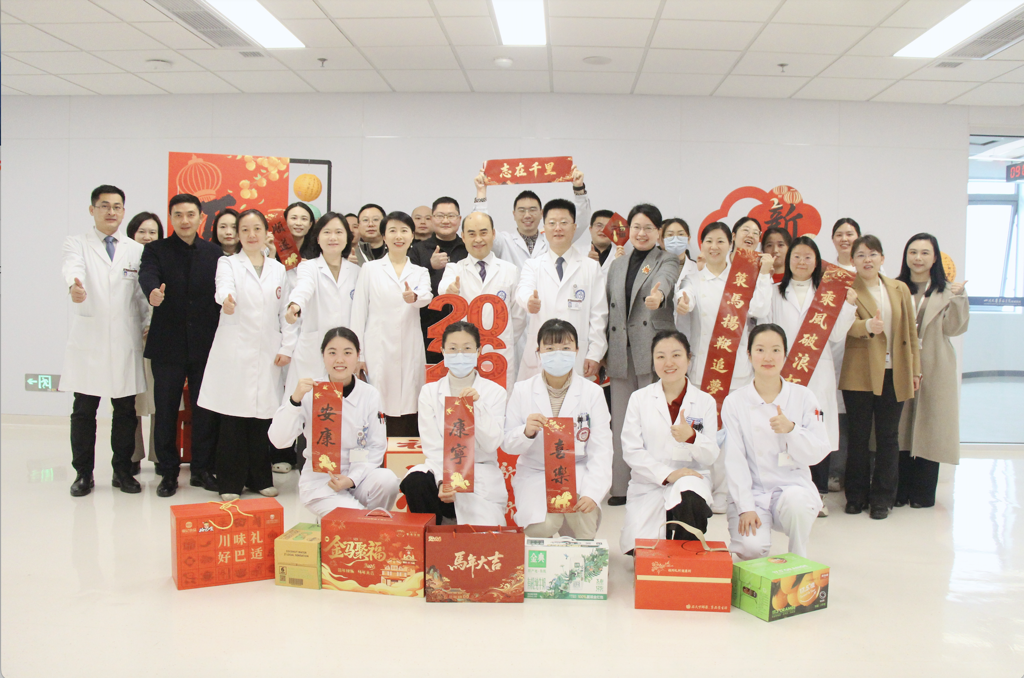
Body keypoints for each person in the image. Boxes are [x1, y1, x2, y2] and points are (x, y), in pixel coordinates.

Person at [675, 222, 773, 512]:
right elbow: (686, 297)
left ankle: (730, 491)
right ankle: (705, 487)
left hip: (736, 371)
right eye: (709, 241)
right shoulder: (694, 278)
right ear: (701, 245)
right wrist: (682, 302)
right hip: (703, 369)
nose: (714, 247)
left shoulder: (741, 278)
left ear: (730, 243)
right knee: (705, 433)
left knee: (734, 435)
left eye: (720, 241)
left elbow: (760, 309)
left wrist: (763, 276)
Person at [61, 185, 149, 496]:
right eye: (104, 206)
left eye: (117, 206)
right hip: (91, 340)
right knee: (84, 412)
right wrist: (74, 286)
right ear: (92, 210)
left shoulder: (135, 250)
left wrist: (148, 324)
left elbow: (141, 296)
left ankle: (122, 471)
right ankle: (83, 474)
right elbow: (73, 268)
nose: (111, 211)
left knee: (124, 412)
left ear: (123, 211)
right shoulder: (77, 243)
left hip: (125, 340)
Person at [197, 209, 289, 501]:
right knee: (233, 419)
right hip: (235, 351)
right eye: (245, 230)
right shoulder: (228, 263)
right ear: (237, 234)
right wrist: (226, 300)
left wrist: (286, 347)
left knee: (261, 418)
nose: (251, 235)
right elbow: (223, 288)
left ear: (266, 233)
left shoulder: (277, 269)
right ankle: (230, 483)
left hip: (267, 351)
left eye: (257, 229)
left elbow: (286, 312)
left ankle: (260, 478)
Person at [139, 193, 223, 497]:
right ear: (171, 218)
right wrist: (152, 292)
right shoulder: (156, 250)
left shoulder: (215, 253)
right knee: (165, 411)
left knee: (205, 410)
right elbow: (148, 274)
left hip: (205, 346)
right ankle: (168, 472)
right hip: (168, 346)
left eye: (190, 214)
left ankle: (201, 469)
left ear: (200, 217)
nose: (185, 220)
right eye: (178, 215)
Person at [268, 327, 400, 518]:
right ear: (323, 356)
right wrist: (294, 400)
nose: (339, 360)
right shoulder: (310, 392)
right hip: (321, 482)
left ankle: (366, 524)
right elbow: (278, 441)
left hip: (358, 477)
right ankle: (361, 523)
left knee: (387, 480)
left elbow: (376, 446)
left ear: (357, 355)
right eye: (332, 353)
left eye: (347, 353)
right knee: (357, 518)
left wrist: (351, 479)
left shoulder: (370, 394)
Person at [723, 324, 830, 560]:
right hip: (753, 492)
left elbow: (819, 450)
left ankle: (799, 558)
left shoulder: (804, 397)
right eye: (760, 350)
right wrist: (746, 507)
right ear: (749, 354)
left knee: (797, 503)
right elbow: (734, 459)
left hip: (792, 488)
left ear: (785, 354)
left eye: (775, 350)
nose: (768, 357)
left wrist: (792, 430)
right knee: (751, 549)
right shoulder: (735, 402)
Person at [768, 236, 857, 516]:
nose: (802, 262)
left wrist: (849, 305)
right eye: (797, 256)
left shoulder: (827, 294)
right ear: (788, 260)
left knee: (817, 430)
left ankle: (818, 495)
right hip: (785, 373)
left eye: (808, 257)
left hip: (818, 372)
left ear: (817, 261)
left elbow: (838, 334)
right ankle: (785, 492)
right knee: (785, 430)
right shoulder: (774, 292)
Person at [504, 319, 612, 539]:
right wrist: (526, 432)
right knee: (543, 526)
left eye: (565, 348)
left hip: (577, 469)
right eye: (550, 348)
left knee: (582, 520)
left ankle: (580, 543)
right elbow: (508, 444)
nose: (558, 354)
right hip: (536, 472)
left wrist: (592, 492)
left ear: (577, 351)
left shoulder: (592, 393)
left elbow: (601, 450)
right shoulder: (522, 390)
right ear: (539, 352)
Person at [840, 235, 921, 520]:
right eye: (861, 255)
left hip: (894, 372)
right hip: (859, 373)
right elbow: (840, 327)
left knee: (888, 438)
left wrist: (915, 369)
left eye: (872, 254)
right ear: (853, 261)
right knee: (859, 437)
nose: (867, 260)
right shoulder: (846, 288)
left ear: (883, 258)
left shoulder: (899, 288)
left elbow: (911, 332)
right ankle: (855, 496)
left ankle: (882, 499)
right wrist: (866, 326)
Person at [605, 204, 680, 505]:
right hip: (620, 351)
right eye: (636, 227)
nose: (641, 233)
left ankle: (656, 482)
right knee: (622, 423)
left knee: (654, 422)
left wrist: (658, 296)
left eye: (649, 228)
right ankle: (620, 486)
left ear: (658, 232)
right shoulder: (617, 264)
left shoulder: (666, 259)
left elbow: (666, 281)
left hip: (651, 350)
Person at [620, 331, 719, 554]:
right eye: (661, 356)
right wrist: (668, 474)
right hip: (649, 483)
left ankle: (686, 552)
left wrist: (692, 437)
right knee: (639, 550)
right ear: (653, 360)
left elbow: (711, 455)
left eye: (676, 355)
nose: (669, 363)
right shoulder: (639, 399)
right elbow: (632, 450)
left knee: (690, 498)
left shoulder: (705, 401)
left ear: (689, 358)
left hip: (691, 479)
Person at [401, 321, 508, 525]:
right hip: (441, 470)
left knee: (483, 536)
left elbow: (492, 443)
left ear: (478, 351)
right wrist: (444, 480)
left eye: (467, 348)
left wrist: (477, 407)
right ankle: (433, 535)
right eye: (453, 349)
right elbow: (432, 446)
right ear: (443, 351)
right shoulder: (429, 392)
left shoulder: (495, 393)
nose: (460, 355)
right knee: (416, 481)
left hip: (479, 475)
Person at [896, 234, 969, 509]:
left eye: (925, 253)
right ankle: (899, 490)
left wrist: (960, 299)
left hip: (935, 365)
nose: (918, 258)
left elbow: (954, 329)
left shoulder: (948, 291)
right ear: (906, 256)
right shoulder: (895, 287)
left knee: (930, 427)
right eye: (913, 252)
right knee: (900, 427)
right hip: (902, 364)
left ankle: (923, 493)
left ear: (935, 257)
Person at [350, 211, 433, 436]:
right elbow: (359, 312)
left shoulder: (420, 271)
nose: (399, 236)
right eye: (393, 230)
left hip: (409, 347)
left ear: (412, 236)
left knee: (409, 403)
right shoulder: (370, 269)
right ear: (384, 236)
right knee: (377, 404)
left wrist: (414, 297)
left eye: (404, 231)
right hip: (377, 348)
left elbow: (426, 295)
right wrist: (358, 355)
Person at [283, 212, 359, 447]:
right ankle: (306, 463)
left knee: (345, 413)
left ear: (347, 238)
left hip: (345, 352)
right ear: (317, 238)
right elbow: (303, 289)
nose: (333, 237)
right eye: (327, 232)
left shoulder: (357, 271)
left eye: (338, 232)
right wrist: (295, 305)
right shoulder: (308, 268)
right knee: (308, 411)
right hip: (313, 351)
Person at [515, 198, 608, 383]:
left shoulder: (590, 267)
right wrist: (528, 301)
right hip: (541, 352)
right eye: (552, 223)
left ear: (574, 227)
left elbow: (599, 315)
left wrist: (595, 353)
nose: (558, 228)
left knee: (575, 398)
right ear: (544, 228)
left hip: (577, 354)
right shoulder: (533, 265)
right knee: (537, 398)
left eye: (564, 223)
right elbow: (523, 289)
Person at [438, 212, 526, 391]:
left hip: (500, 352)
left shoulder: (510, 270)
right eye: (471, 234)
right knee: (465, 401)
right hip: (465, 353)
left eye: (483, 232)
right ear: (463, 237)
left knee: (499, 401)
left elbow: (518, 317)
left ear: (493, 234)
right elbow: (443, 287)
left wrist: (504, 339)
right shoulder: (454, 269)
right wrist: (450, 290)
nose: (478, 239)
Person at [473, 165, 590, 269]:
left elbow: (581, 222)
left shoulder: (553, 238)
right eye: (522, 210)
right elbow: (481, 224)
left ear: (541, 213)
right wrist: (481, 192)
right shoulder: (504, 242)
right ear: (514, 214)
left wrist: (579, 188)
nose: (527, 215)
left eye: (532, 210)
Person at [125, 211, 163, 474]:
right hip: (129, 339)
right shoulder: (123, 260)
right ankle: (132, 455)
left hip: (158, 339)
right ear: (132, 234)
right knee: (131, 401)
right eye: (142, 232)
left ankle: (160, 456)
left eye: (153, 232)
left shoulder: (163, 259)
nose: (148, 237)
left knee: (161, 400)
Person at [408, 197, 468, 364]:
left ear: (459, 219)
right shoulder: (417, 250)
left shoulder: (468, 248)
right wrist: (429, 266)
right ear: (432, 219)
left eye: (451, 216)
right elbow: (410, 286)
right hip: (428, 327)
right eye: (440, 216)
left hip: (464, 326)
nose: (445, 221)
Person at [827, 217, 862, 492]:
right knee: (834, 410)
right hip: (830, 349)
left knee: (852, 413)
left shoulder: (867, 271)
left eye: (849, 234)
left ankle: (846, 472)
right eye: (839, 234)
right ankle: (832, 472)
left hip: (859, 348)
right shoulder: (827, 272)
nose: (844, 238)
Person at [583, 209, 622, 274]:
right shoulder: (577, 254)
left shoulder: (621, 257)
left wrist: (622, 264)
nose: (603, 230)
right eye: (599, 225)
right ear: (590, 229)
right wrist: (586, 264)